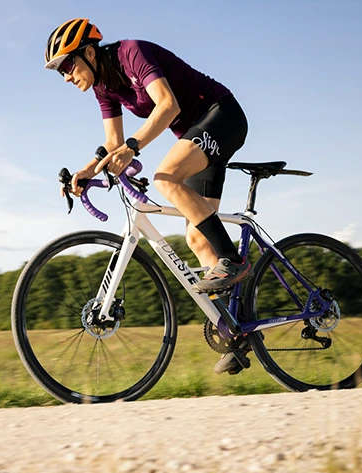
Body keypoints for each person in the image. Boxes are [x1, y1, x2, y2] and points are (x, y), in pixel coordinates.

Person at [45, 18, 252, 375]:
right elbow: (112, 144)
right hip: (195, 134)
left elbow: (167, 105)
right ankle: (241, 329)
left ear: (89, 53)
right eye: (60, 71)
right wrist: (86, 171)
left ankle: (235, 260)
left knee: (165, 177)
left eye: (68, 64)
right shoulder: (103, 87)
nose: (66, 76)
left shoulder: (131, 53)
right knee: (198, 239)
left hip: (222, 116)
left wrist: (134, 146)